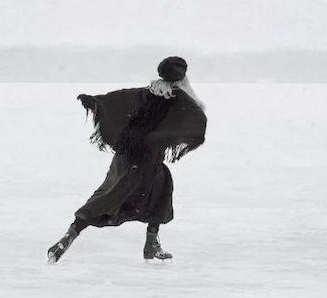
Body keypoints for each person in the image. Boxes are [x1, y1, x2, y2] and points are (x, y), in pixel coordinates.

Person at [46, 56, 207, 264]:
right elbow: (198, 121)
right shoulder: (179, 99)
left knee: (111, 194)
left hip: (124, 156)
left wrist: (94, 101)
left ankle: (72, 236)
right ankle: (147, 243)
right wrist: (165, 137)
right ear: (183, 78)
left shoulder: (148, 92)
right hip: (146, 160)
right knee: (155, 193)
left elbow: (117, 100)